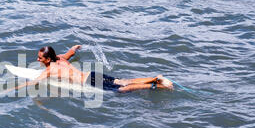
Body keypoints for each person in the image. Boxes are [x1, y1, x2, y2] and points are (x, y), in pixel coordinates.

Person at [10, 45, 173, 93]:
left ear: (47, 59)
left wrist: (16, 88)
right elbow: (70, 53)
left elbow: (34, 83)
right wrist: (75, 48)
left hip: (89, 81)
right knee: (123, 81)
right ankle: (154, 78)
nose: (37, 59)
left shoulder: (49, 70)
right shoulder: (60, 57)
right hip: (92, 74)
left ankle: (155, 84)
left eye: (40, 58)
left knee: (121, 90)